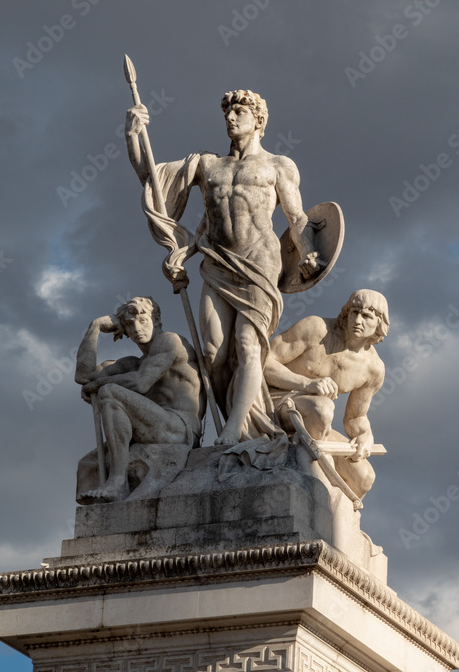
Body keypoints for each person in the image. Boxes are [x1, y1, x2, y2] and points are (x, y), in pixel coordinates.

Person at [126, 90, 318, 447]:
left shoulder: (278, 165)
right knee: (213, 352)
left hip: (260, 263)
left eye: (240, 111)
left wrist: (307, 251)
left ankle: (234, 429)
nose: (231, 118)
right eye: (228, 112)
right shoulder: (207, 164)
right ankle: (232, 419)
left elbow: (297, 218)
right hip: (216, 262)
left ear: (259, 120)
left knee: (248, 345)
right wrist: (133, 135)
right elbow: (151, 178)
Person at [75, 297, 205, 503]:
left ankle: (118, 483)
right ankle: (115, 484)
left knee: (109, 390)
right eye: (129, 324)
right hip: (157, 426)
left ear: (156, 319)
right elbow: (83, 377)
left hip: (181, 428)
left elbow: (141, 383)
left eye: (143, 320)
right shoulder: (133, 363)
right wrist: (95, 327)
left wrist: (98, 385)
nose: (136, 328)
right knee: (88, 463)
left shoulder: (170, 340)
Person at [264, 289, 389, 499]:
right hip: (274, 406)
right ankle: (309, 484)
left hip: (317, 425)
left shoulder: (373, 369)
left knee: (364, 477)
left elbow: (355, 417)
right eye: (354, 312)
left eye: (367, 316)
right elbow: (264, 360)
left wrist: (365, 436)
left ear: (379, 323)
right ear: (346, 313)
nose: (358, 320)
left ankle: (334, 522)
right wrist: (306, 383)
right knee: (322, 407)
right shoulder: (317, 329)